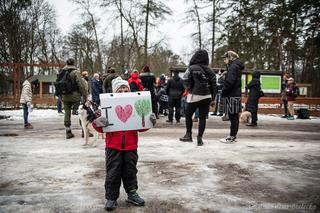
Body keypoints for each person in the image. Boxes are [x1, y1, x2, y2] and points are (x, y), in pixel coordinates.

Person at [91, 76, 157, 211]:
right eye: (119, 90)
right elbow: (99, 126)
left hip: (130, 147)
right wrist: (97, 123)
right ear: (114, 92)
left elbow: (141, 126)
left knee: (130, 172)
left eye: (125, 90)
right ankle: (111, 197)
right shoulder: (106, 106)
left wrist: (150, 120)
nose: (123, 93)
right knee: (113, 173)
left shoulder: (133, 106)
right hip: (113, 147)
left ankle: (132, 193)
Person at [179, 49, 216, 146]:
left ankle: (188, 135)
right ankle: (200, 138)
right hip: (207, 96)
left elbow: (185, 81)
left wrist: (189, 88)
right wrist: (213, 98)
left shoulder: (191, 68)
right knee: (202, 118)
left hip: (194, 96)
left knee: (188, 115)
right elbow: (214, 86)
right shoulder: (211, 71)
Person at [219, 51, 244, 144]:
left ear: (230, 58)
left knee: (233, 117)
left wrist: (224, 91)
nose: (224, 60)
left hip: (232, 95)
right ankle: (232, 135)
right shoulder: (234, 66)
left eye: (225, 58)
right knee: (233, 116)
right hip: (235, 94)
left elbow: (230, 82)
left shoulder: (233, 67)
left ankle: (232, 137)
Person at [60, 58, 88, 139]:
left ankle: (68, 132)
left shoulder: (62, 71)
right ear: (73, 63)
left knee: (67, 113)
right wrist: (85, 96)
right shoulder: (76, 72)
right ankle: (84, 132)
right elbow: (81, 85)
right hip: (75, 96)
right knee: (81, 112)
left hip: (65, 96)